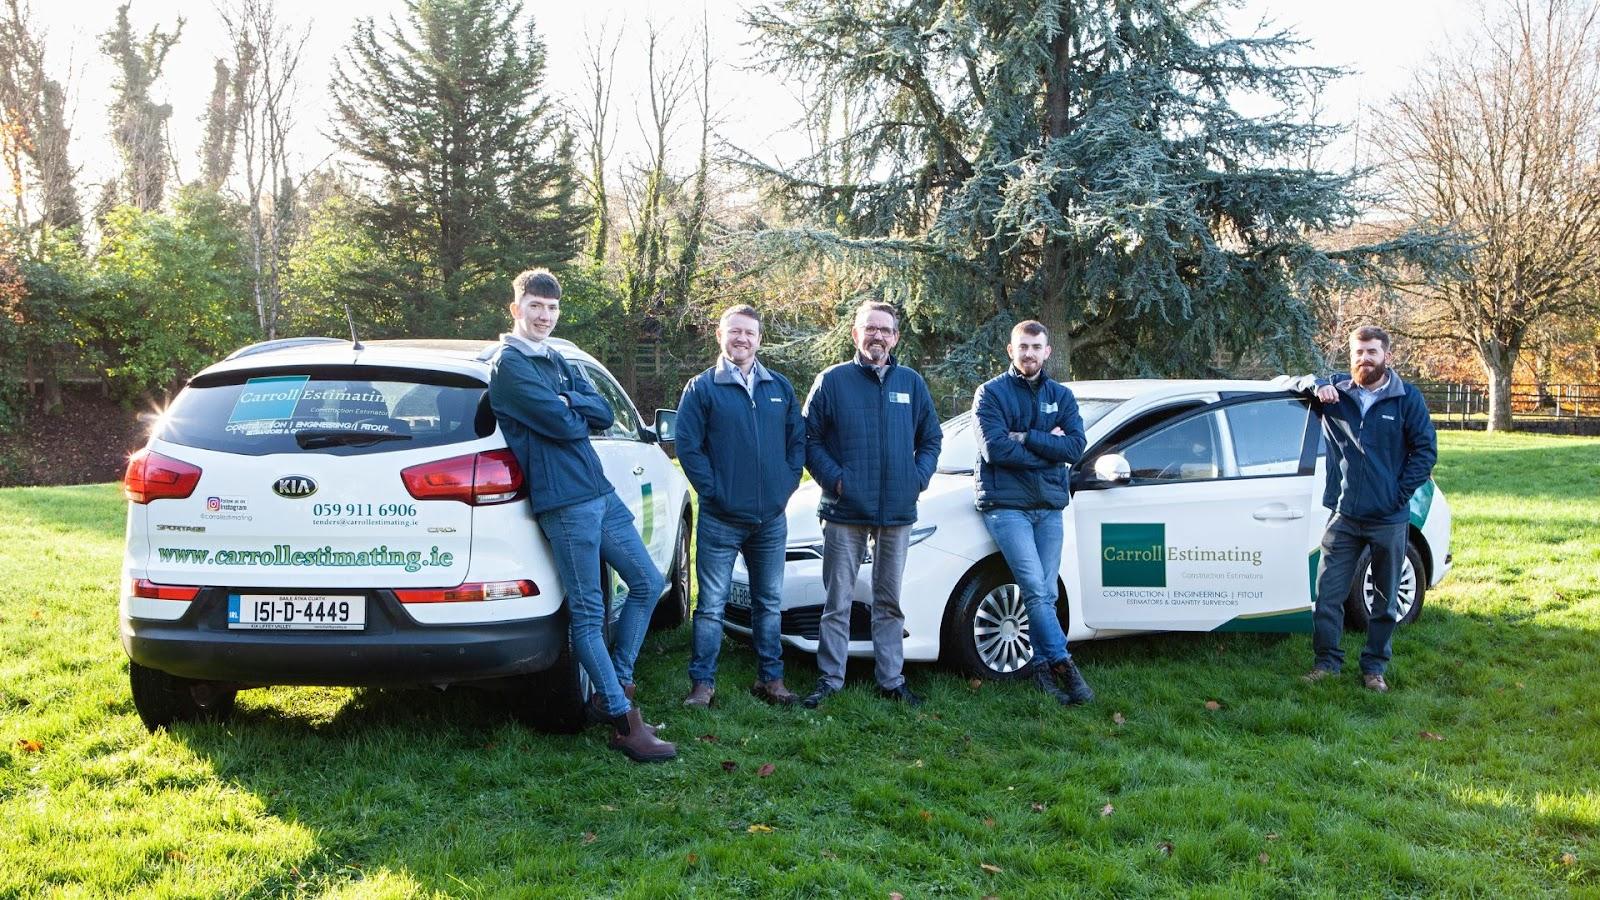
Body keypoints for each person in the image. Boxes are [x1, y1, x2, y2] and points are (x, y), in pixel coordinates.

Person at [487, 269, 675, 761]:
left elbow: (599, 412)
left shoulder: (557, 358)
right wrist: (573, 408)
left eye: (551, 308)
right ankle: (622, 720)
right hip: (564, 501)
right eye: (535, 306)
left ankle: (619, 685)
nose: (544, 316)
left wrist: (571, 402)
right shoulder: (509, 366)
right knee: (588, 611)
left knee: (647, 583)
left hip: (599, 491)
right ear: (517, 308)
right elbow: (565, 425)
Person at [800, 301, 942, 708]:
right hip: (845, 511)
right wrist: (838, 480)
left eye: (885, 329)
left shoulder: (911, 383)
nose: (877, 336)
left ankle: (891, 679)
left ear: (895, 337)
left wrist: (916, 480)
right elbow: (810, 440)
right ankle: (830, 679)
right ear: (855, 334)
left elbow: (930, 439)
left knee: (889, 601)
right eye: (870, 328)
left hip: (897, 512)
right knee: (837, 600)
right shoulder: (832, 381)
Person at [1292, 325, 1437, 693]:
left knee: (1385, 601)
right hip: (1345, 515)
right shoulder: (1336, 393)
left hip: (1388, 518)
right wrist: (1314, 386)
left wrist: (1397, 494)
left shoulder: (1407, 399)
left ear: (1387, 355)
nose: (1364, 359)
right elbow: (1290, 383)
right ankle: (1327, 663)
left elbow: (1425, 451)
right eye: (1358, 352)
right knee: (1328, 595)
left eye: (1371, 352)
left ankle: (1374, 668)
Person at [674, 304, 806, 708]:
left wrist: (783, 488)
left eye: (749, 333)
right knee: (711, 606)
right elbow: (688, 448)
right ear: (720, 336)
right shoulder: (702, 388)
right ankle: (703, 685)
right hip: (720, 518)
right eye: (735, 332)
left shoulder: (779, 388)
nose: (742, 339)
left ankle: (771, 680)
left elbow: (795, 443)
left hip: (770, 519)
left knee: (769, 603)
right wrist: (715, 493)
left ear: (759, 339)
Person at [971, 320, 1095, 705]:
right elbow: (995, 450)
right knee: (1036, 589)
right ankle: (1064, 666)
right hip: (1006, 507)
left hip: (1048, 508)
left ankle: (1042, 671)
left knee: (1046, 592)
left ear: (1047, 351)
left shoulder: (1062, 396)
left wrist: (1025, 437)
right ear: (1011, 350)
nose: (1029, 353)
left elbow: (1074, 448)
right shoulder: (990, 394)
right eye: (1022, 346)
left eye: (1036, 347)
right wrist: (1047, 448)